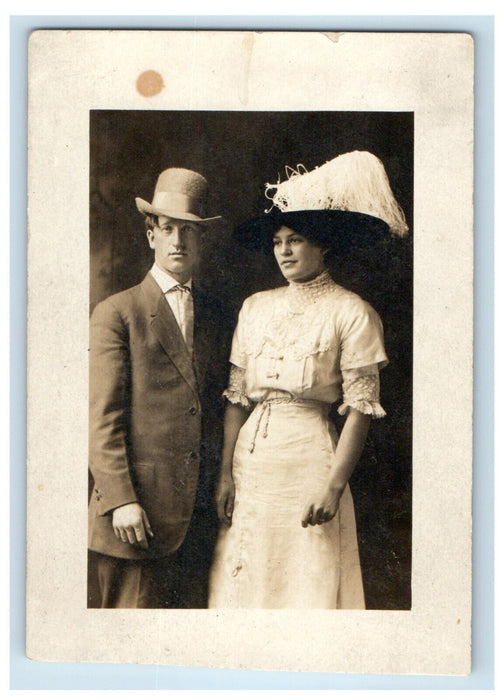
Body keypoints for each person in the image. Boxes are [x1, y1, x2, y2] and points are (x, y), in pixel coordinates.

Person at [209, 151, 409, 609]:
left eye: (296, 239)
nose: (284, 250)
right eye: (278, 240)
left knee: (305, 581)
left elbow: (361, 409)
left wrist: (332, 487)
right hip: (251, 467)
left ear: (324, 246)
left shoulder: (351, 312)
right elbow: (237, 400)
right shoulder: (254, 306)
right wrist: (225, 475)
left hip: (309, 464)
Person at [88, 167, 232, 608]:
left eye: (189, 231)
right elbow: (102, 419)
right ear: (151, 235)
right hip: (134, 520)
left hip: (197, 520)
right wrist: (121, 501)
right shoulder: (118, 312)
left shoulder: (217, 315)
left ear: (201, 240)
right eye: (168, 229)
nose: (178, 242)